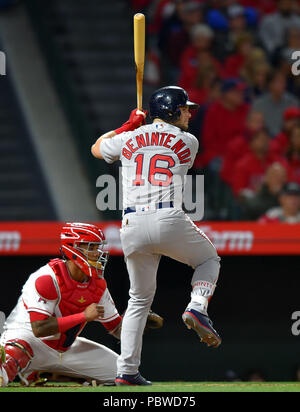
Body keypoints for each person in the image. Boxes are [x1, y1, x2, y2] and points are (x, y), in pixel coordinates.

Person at [91, 86, 222, 386]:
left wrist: (127, 127)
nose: (189, 113)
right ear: (171, 111)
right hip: (167, 218)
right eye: (185, 108)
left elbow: (97, 149)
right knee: (207, 259)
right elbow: (160, 144)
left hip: (132, 225)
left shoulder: (127, 139)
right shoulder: (189, 141)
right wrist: (140, 131)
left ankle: (125, 371)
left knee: (137, 300)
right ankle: (197, 307)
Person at [0, 222, 162, 387]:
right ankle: (6, 369)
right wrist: (84, 316)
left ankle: (46, 374)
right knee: (12, 360)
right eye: (91, 248)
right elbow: (39, 328)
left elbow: (117, 329)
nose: (97, 253)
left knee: (120, 374)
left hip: (66, 349)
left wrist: (136, 321)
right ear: (72, 248)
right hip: (31, 342)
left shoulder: (97, 285)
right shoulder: (46, 279)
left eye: (98, 248)